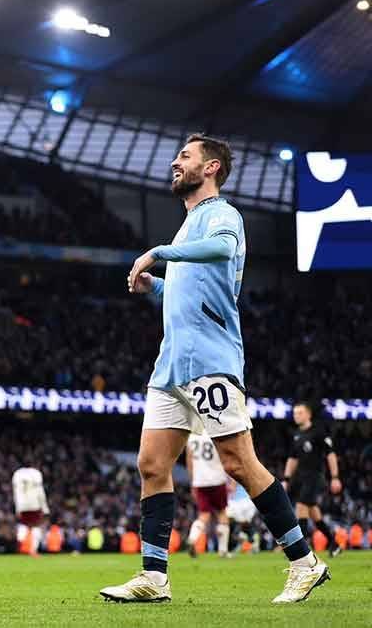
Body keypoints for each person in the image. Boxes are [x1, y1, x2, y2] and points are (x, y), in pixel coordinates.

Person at [100, 134, 329, 605]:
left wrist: (159, 254)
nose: (174, 162)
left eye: (185, 157)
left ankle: (304, 562)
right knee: (151, 464)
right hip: (171, 366)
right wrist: (156, 287)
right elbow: (192, 291)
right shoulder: (187, 228)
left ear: (212, 168)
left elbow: (223, 251)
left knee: (238, 463)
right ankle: (154, 577)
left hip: (210, 361)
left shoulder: (222, 216)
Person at [283, 402, 343, 557]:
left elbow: (330, 454)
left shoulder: (318, 432)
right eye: (295, 413)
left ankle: (300, 551)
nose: (297, 416)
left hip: (316, 476)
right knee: (315, 514)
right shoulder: (297, 435)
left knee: (301, 507)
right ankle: (334, 544)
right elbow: (292, 458)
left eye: (300, 413)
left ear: (308, 414)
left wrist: (335, 477)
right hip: (301, 479)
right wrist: (286, 478)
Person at [184, 433, 231, 557]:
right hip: (217, 478)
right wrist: (231, 479)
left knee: (204, 514)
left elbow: (189, 461)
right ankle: (223, 550)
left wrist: (192, 482)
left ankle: (192, 539)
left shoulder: (192, 436)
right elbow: (226, 456)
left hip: (199, 480)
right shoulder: (216, 432)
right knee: (222, 512)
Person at [12, 465, 49, 556]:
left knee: (23, 525)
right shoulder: (36, 474)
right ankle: (33, 550)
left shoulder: (17, 474)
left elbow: (16, 492)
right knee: (35, 526)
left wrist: (18, 508)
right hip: (35, 503)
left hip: (22, 504)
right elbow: (40, 491)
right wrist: (45, 507)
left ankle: (20, 545)